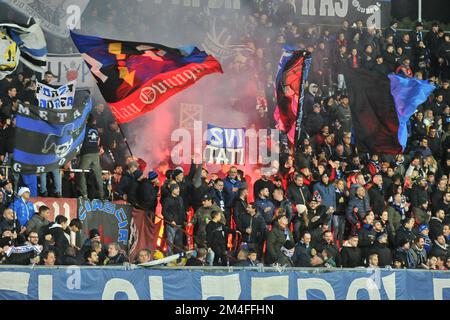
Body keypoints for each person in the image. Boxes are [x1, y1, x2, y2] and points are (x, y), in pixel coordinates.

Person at [78, 114, 105, 200]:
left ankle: (84, 195)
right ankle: (102, 195)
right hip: (95, 153)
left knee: (80, 172)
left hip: (87, 153)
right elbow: (98, 140)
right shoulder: (95, 129)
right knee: (98, 175)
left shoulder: (84, 128)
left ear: (86, 120)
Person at [162, 183, 186, 256]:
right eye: (176, 188)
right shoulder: (167, 199)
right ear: (172, 190)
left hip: (180, 224)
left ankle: (178, 258)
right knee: (170, 242)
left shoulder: (180, 198)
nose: (178, 190)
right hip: (171, 224)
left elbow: (182, 210)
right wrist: (171, 220)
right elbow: (164, 211)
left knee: (179, 243)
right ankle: (169, 256)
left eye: (178, 188)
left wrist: (184, 219)